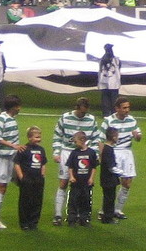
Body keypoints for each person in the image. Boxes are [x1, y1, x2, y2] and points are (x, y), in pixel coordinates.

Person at [51, 97, 101, 226]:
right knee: (63, 182)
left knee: (83, 185)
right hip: (68, 152)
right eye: (81, 112)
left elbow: (96, 138)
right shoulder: (65, 118)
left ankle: (80, 214)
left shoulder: (91, 120)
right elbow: (57, 135)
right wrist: (56, 152)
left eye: (85, 112)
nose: (83, 115)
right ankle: (58, 215)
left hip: (85, 154)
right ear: (77, 108)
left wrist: (94, 155)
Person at [100, 97, 141, 219]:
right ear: (117, 108)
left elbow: (138, 137)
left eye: (128, 107)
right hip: (113, 152)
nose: (127, 110)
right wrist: (102, 157)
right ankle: (104, 210)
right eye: (124, 108)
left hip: (127, 152)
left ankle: (117, 210)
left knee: (127, 183)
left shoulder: (132, 120)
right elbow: (101, 140)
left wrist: (137, 136)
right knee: (110, 185)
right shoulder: (108, 121)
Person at [0, 95, 25, 229]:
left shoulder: (12, 119)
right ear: (13, 107)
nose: (20, 108)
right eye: (18, 106)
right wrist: (14, 146)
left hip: (12, 158)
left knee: (24, 182)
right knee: (2, 188)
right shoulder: (2, 119)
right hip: (3, 159)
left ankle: (27, 215)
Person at [14, 126, 46, 230]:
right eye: (36, 137)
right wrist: (21, 177)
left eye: (39, 137)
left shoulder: (41, 150)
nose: (39, 139)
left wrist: (42, 175)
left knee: (37, 201)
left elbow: (43, 163)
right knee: (25, 201)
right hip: (27, 179)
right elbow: (17, 163)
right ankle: (24, 223)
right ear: (29, 137)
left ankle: (34, 222)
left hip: (38, 179)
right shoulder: (23, 149)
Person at [66, 132, 98, 227]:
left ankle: (84, 219)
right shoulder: (74, 153)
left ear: (82, 140)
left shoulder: (91, 153)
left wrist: (91, 178)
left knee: (86, 200)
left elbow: (93, 167)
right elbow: (70, 166)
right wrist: (71, 176)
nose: (75, 144)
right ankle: (72, 219)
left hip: (86, 182)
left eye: (76, 141)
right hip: (76, 182)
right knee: (73, 200)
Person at [99, 127, 121, 224]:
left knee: (108, 197)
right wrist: (121, 172)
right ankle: (108, 217)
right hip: (108, 178)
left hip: (106, 178)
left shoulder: (106, 148)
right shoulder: (108, 149)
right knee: (110, 198)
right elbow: (111, 166)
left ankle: (106, 216)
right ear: (113, 137)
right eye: (117, 136)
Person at [98, 43, 121, 118]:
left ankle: (106, 114)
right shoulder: (116, 59)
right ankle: (113, 113)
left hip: (104, 82)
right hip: (114, 83)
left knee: (106, 99)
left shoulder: (102, 60)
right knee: (113, 99)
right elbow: (119, 67)